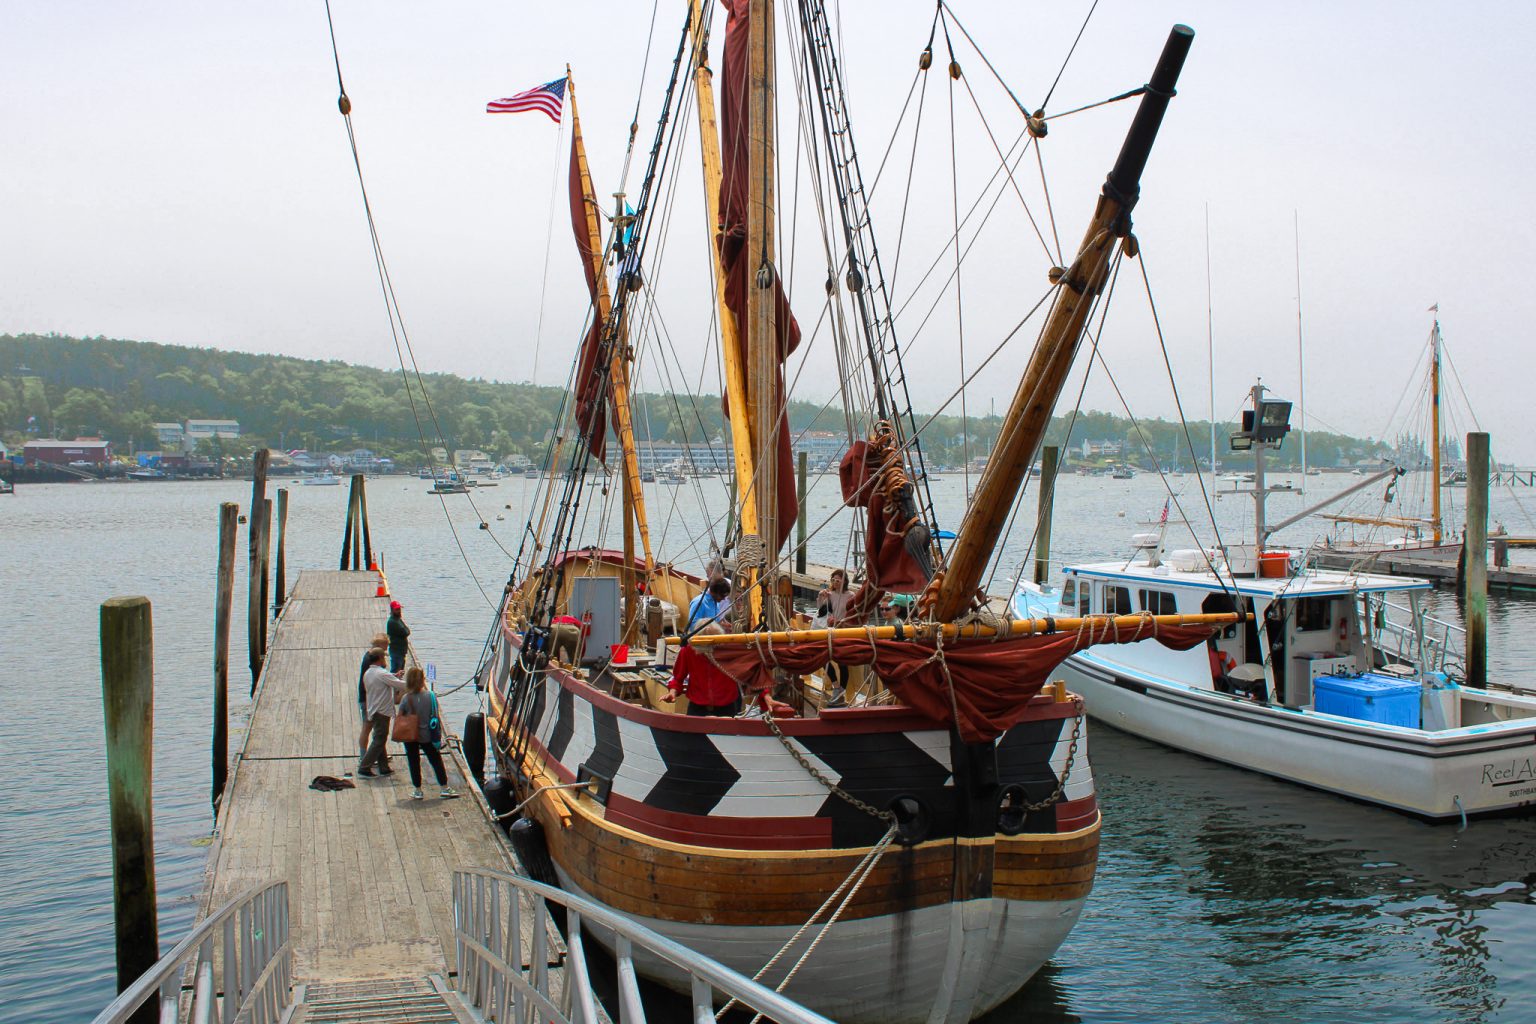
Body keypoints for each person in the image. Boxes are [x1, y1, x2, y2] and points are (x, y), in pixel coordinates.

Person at [397, 666, 459, 800]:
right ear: (422, 680)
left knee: (413, 761)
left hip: (410, 736)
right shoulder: (430, 696)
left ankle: (418, 790)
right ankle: (444, 787)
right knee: (436, 760)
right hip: (427, 736)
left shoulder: (406, 698)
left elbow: (400, 715)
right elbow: (435, 716)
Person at [663, 626, 742, 716]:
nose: (709, 651)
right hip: (697, 708)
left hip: (726, 708)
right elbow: (678, 678)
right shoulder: (688, 650)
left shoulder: (731, 650)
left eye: (713, 647)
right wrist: (672, 693)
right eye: (706, 647)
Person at [358, 647, 406, 777]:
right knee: (379, 740)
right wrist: (416, 683)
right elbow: (401, 685)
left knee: (379, 738)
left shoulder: (368, 673)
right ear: (379, 658)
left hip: (373, 709)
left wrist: (394, 676)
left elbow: (385, 681)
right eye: (384, 657)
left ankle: (384, 767)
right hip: (382, 711)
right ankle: (364, 767)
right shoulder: (381, 673)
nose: (385, 660)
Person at [817, 569, 852, 707]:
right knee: (823, 658)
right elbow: (820, 611)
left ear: (844, 582)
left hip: (844, 631)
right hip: (830, 630)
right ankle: (836, 686)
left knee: (842, 662)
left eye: (838, 580)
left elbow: (853, 614)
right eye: (833, 580)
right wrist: (821, 597)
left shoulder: (850, 595)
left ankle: (841, 691)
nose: (835, 583)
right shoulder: (829, 595)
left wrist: (842, 622)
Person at [358, 632, 389, 759]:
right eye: (385, 647)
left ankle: (379, 754)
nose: (386, 650)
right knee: (367, 727)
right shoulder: (369, 661)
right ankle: (364, 756)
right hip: (367, 699)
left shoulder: (370, 656)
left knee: (378, 729)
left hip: (370, 698)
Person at [386, 601, 410, 673]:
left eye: (399, 609)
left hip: (401, 650)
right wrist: (406, 630)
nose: (399, 611)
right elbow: (406, 632)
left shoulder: (398, 619)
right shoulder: (393, 622)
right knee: (395, 670)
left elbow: (407, 630)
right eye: (396, 609)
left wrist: (406, 630)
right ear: (392, 610)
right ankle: (392, 683)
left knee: (400, 670)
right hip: (396, 650)